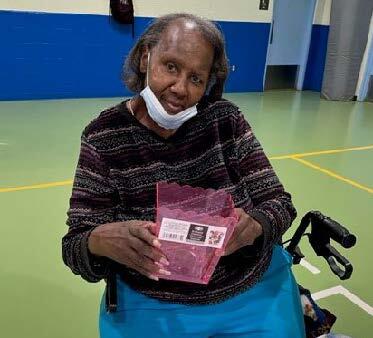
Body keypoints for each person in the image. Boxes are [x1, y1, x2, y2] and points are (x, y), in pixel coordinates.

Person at [62, 13, 306, 338]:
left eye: (196, 78)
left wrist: (256, 226)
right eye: (171, 67)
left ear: (208, 84)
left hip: (249, 287)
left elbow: (280, 203)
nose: (179, 89)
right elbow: (75, 244)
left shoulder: (225, 121)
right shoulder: (103, 137)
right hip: (151, 300)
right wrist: (99, 241)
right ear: (146, 57)